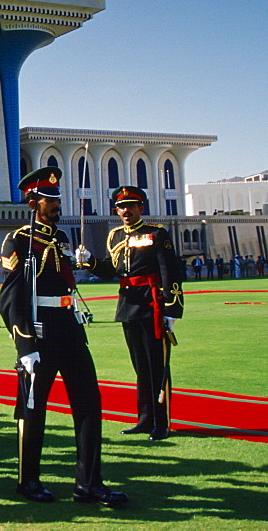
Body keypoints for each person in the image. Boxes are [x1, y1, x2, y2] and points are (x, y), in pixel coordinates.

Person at [0, 167, 127, 506]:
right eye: (49, 199)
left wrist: (91, 262)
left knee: (88, 404)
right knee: (32, 408)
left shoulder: (62, 239)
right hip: (40, 333)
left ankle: (89, 484)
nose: (56, 204)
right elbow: (10, 299)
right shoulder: (19, 240)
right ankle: (28, 481)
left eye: (57, 199)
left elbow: (102, 272)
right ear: (32, 201)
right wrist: (24, 345)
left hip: (69, 328)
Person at [77, 186, 183, 441]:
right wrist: (89, 259)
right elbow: (108, 271)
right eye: (121, 207)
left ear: (141, 208)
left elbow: (170, 271)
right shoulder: (114, 236)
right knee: (140, 367)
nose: (126, 210)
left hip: (152, 304)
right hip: (127, 305)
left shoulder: (156, 234)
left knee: (156, 366)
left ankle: (162, 422)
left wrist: (172, 308)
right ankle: (145, 420)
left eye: (131, 206)